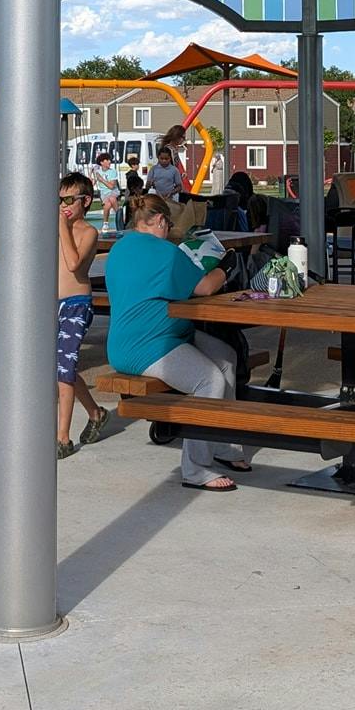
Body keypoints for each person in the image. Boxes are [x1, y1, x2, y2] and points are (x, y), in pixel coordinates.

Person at [103, 193, 250, 491]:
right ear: (158, 220)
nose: (169, 230)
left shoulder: (119, 248)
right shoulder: (166, 253)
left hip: (137, 338)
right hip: (148, 345)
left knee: (225, 357)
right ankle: (195, 468)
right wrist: (228, 265)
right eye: (168, 224)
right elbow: (206, 287)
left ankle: (223, 444)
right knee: (210, 381)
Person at [55, 172, 105, 458]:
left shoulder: (88, 232)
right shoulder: (58, 227)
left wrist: (62, 226)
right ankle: (95, 412)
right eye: (60, 200)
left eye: (69, 200)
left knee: (64, 371)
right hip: (54, 303)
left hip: (76, 304)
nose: (64, 206)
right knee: (62, 368)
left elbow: (74, 263)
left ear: (85, 202)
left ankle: (62, 436)